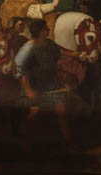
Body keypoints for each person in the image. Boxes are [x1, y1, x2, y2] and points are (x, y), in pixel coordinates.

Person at [14, 17, 73, 146]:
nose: (48, 30)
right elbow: (20, 69)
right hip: (36, 83)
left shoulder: (49, 44)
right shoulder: (28, 48)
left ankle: (69, 143)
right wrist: (28, 89)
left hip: (52, 82)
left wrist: (75, 55)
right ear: (40, 31)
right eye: (46, 28)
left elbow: (59, 56)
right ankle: (25, 143)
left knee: (62, 112)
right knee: (34, 113)